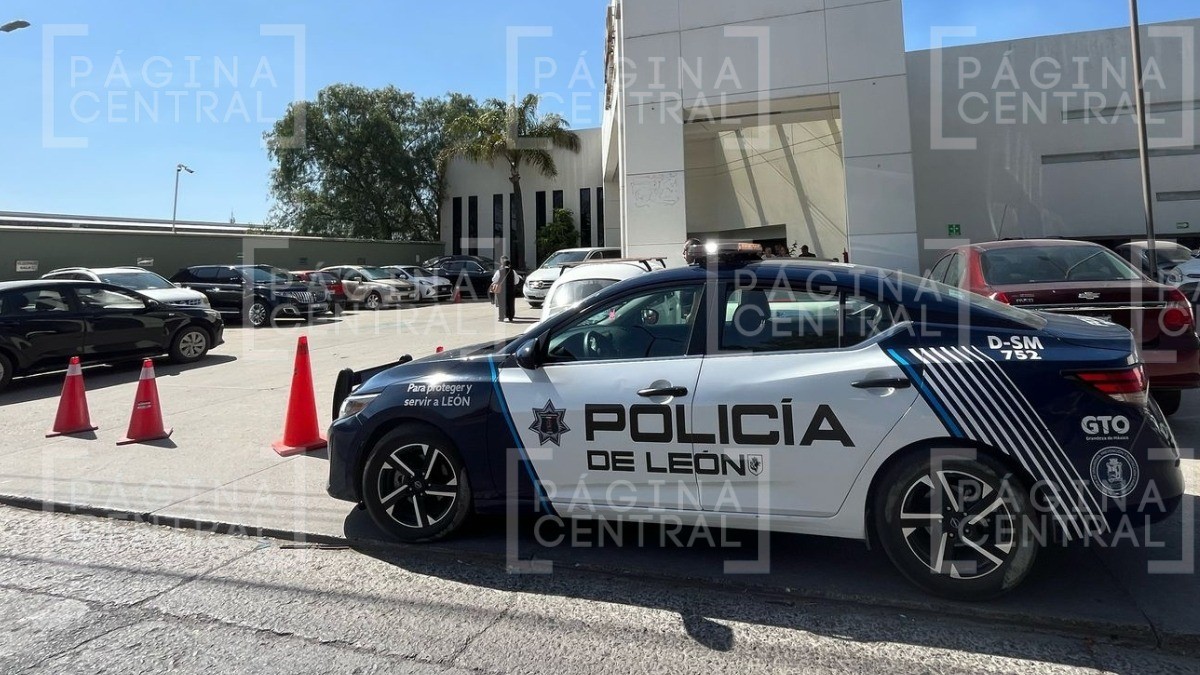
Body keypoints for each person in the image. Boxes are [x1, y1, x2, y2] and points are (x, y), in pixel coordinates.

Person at [492, 257, 521, 322]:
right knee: (511, 304)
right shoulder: (513, 271)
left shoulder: (499, 271)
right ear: (509, 265)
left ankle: (501, 317)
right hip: (511, 290)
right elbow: (517, 281)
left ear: (503, 265)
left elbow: (494, 279)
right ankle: (510, 317)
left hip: (501, 290)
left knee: (501, 304)